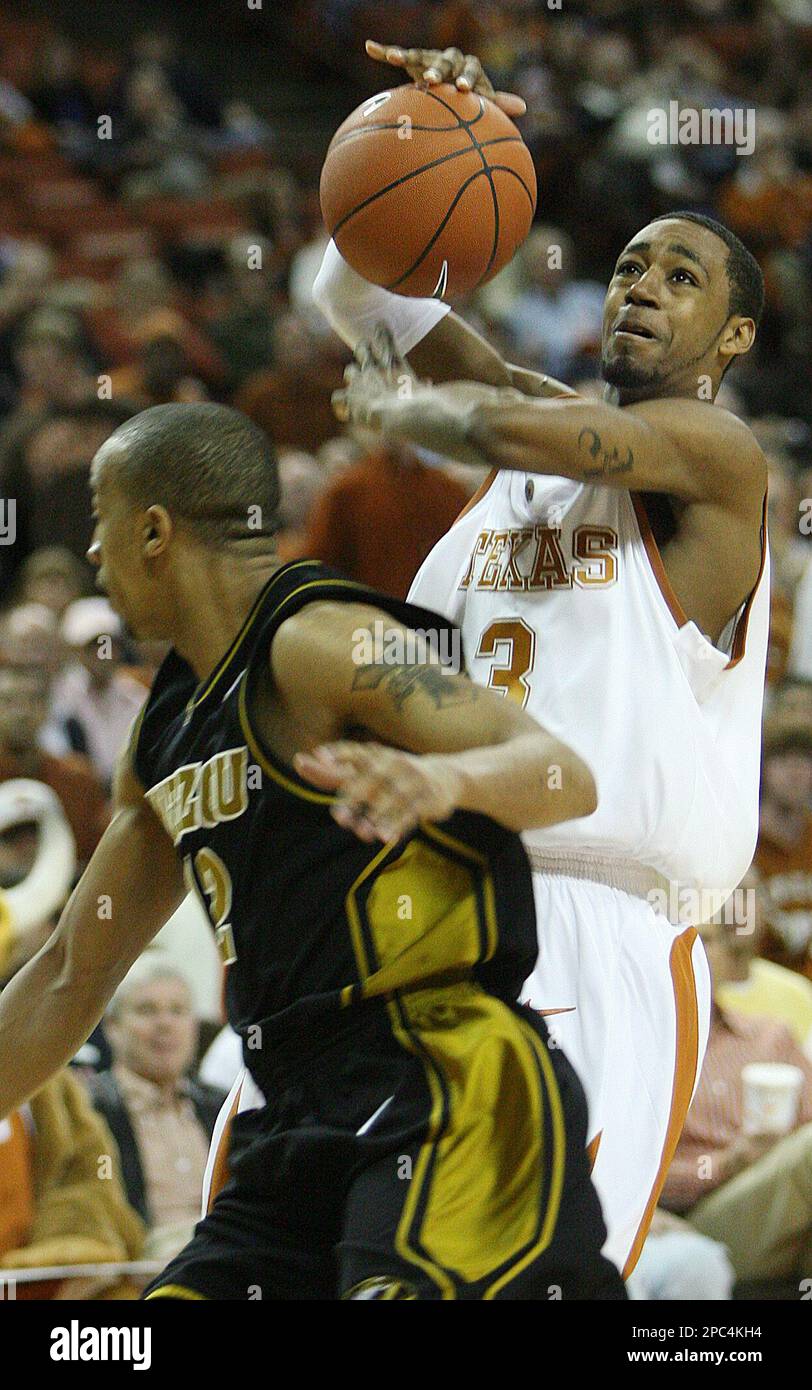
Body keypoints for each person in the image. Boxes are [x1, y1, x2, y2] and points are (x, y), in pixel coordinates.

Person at [313, 36, 770, 1278]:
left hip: (593, 919)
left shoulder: (716, 465)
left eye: (680, 278)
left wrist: (412, 409)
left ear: (728, 341)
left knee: (526, 1277)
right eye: (629, 264)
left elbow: (500, 416)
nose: (639, 283)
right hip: (422, 897)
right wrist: (414, 129)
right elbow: (357, 298)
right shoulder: (533, 436)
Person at [0, 400, 624, 1300]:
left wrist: (449, 782)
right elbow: (67, 973)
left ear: (152, 530)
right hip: (296, 1121)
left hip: (444, 1086)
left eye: (100, 524)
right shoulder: (165, 735)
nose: (91, 553)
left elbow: (563, 774)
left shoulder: (322, 642)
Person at [661, 915, 812, 1287]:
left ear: (731, 961)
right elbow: (626, 1179)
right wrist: (727, 1163)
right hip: (702, 1215)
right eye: (681, 941)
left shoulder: (770, 1035)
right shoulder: (644, 1050)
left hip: (790, 1201)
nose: (694, 954)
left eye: (706, 941)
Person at [89, 961, 225, 1263]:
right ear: (112, 1026)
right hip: (136, 1269)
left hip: (223, 1258)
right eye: (147, 1010)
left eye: (178, 1011)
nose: (165, 1023)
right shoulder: (90, 1110)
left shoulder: (221, 1107)